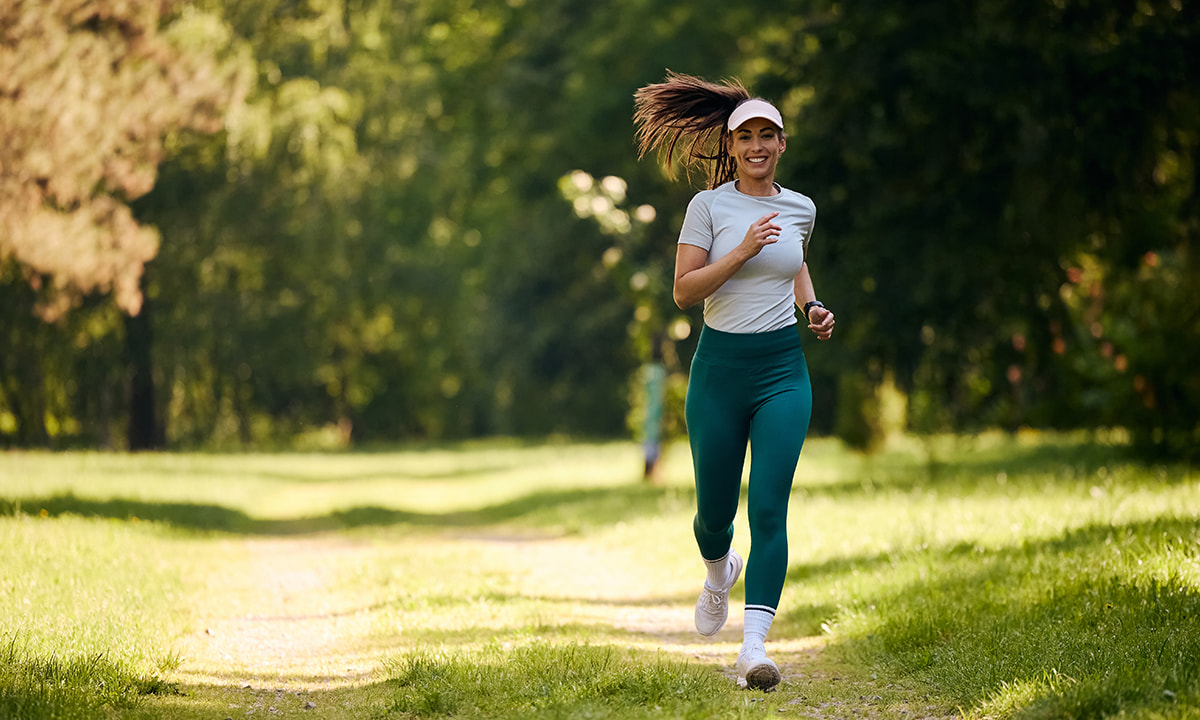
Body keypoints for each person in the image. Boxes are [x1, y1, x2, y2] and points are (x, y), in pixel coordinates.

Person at [633, 72, 835, 692]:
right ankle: (719, 568)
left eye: (767, 136)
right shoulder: (709, 207)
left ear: (781, 144)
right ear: (731, 145)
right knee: (712, 515)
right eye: (745, 136)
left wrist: (813, 307)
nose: (756, 146)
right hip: (719, 373)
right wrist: (741, 250)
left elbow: (795, 261)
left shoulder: (801, 206)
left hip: (781, 371)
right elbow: (682, 292)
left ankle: (752, 651)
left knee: (770, 506)